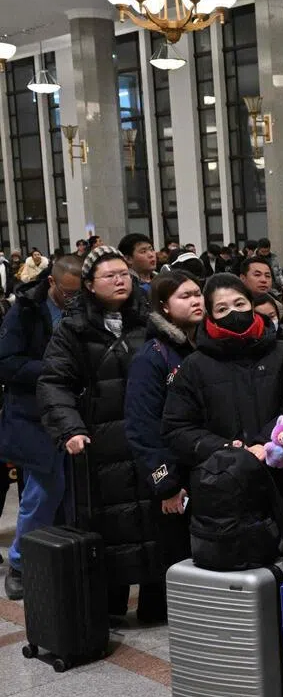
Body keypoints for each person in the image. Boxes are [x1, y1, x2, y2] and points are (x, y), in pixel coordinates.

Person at [37, 246, 159, 617]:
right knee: (111, 524)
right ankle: (111, 605)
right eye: (110, 275)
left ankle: (158, 604)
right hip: (101, 443)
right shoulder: (72, 330)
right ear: (89, 285)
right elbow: (53, 383)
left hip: (148, 437)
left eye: (124, 274)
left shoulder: (149, 321)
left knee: (155, 519)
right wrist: (69, 429)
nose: (121, 280)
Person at [162, 273, 283, 569]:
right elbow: (177, 428)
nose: (233, 313)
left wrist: (266, 442)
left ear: (252, 305)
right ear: (210, 314)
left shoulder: (282, 352)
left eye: (239, 303)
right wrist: (226, 449)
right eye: (221, 309)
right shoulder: (195, 366)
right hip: (224, 490)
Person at [0, 254, 82, 600]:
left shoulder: (85, 309)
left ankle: (65, 558)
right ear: (52, 283)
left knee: (74, 494)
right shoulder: (26, 310)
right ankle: (19, 563)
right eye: (67, 294)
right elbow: (7, 364)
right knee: (44, 492)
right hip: (33, 416)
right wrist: (54, 370)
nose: (72, 300)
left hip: (76, 413)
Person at [123, 272, 204, 618]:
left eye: (198, 293)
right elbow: (142, 426)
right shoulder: (152, 356)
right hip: (173, 471)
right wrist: (167, 484)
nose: (196, 300)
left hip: (200, 462)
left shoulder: (201, 347)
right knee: (172, 552)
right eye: (185, 296)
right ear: (165, 308)